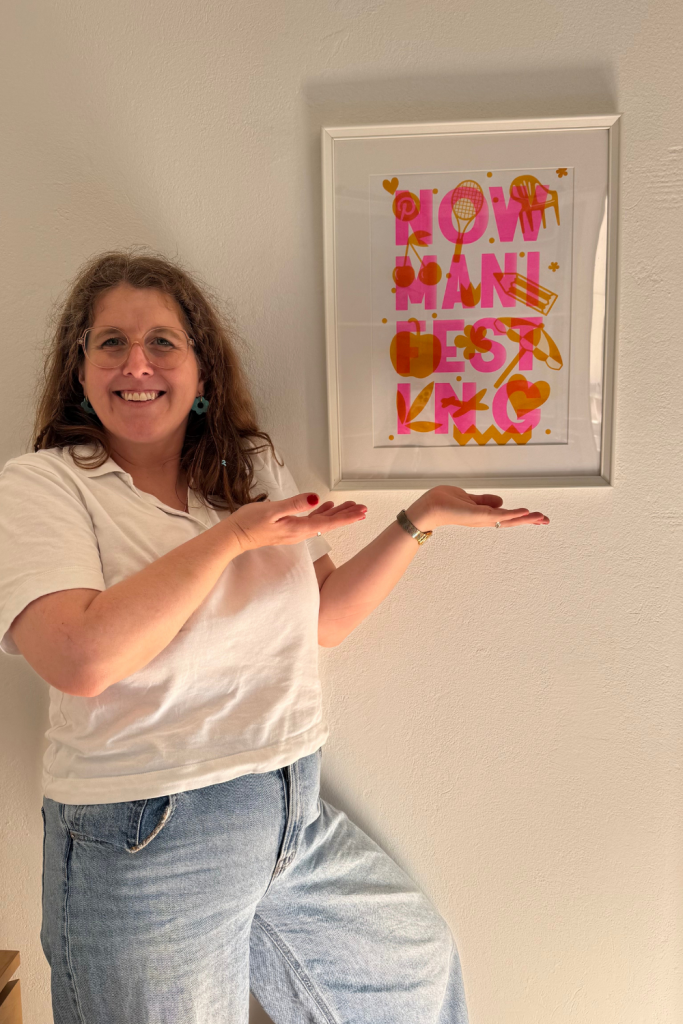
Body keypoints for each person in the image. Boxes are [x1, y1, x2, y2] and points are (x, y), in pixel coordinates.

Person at [0, 249, 549, 1024]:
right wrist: (231, 540)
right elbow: (80, 658)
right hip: (145, 839)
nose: (137, 363)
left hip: (290, 807)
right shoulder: (41, 484)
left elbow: (322, 617)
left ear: (201, 371)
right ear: (79, 371)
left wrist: (419, 518)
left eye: (162, 342)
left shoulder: (248, 468)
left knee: (411, 973)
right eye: (111, 342)